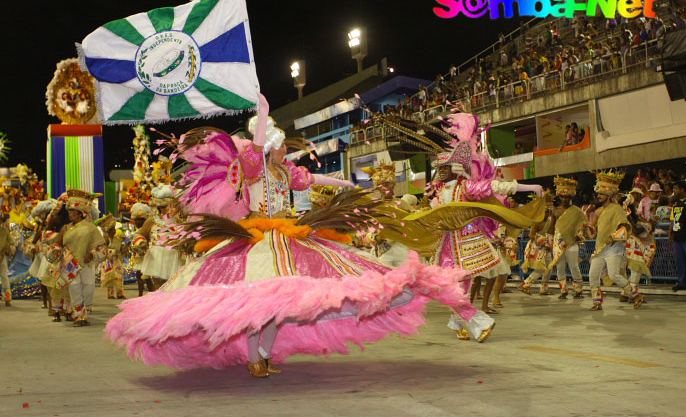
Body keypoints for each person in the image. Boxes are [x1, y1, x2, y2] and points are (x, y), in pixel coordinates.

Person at [106, 94, 479, 379]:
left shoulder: (286, 172)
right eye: (281, 144)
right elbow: (254, 152)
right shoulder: (252, 167)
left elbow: (312, 178)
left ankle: (262, 357)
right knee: (259, 304)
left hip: (290, 234)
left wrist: (344, 181)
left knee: (280, 306)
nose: (287, 149)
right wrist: (262, 115)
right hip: (256, 238)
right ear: (270, 145)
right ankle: (256, 358)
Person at [419, 113, 544, 339]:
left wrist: (530, 187)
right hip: (447, 246)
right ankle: (466, 322)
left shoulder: (467, 187)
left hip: (468, 245)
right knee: (448, 289)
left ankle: (470, 324)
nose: (441, 171)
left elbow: (497, 186)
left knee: (462, 287)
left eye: (445, 168)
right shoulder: (439, 193)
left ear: (455, 169)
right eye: (440, 168)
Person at [588, 171, 643, 310]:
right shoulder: (599, 211)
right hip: (600, 248)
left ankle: (635, 295)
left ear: (609, 195)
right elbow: (593, 233)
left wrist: (613, 236)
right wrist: (586, 229)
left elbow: (625, 227)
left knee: (614, 275)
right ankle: (597, 302)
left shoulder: (617, 209)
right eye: (598, 194)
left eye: (601, 194)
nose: (599, 196)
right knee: (593, 275)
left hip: (614, 248)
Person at [60, 189, 107, 326]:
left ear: (80, 213)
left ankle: (83, 312)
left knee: (89, 288)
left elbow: (102, 248)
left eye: (72, 211)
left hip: (87, 264)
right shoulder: (66, 228)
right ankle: (79, 317)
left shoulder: (90, 228)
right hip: (70, 264)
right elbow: (57, 244)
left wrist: (92, 254)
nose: (70, 214)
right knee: (74, 288)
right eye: (69, 211)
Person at [550, 177, 590, 299]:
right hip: (558, 243)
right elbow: (551, 229)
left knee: (574, 267)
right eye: (563, 197)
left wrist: (580, 235)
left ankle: (578, 291)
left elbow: (584, 225)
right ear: (560, 197)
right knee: (560, 268)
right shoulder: (555, 211)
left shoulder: (577, 211)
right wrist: (548, 243)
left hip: (572, 243)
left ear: (571, 198)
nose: (565, 199)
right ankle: (563, 291)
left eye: (568, 197)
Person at [137, 184, 183, 287]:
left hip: (173, 257)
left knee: (173, 287)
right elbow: (140, 234)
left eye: (166, 206)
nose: (165, 209)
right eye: (162, 207)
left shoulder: (180, 222)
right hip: (156, 256)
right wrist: (141, 242)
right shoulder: (152, 221)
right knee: (158, 286)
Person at [519, 194, 555, 295]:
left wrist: (549, 244)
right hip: (536, 247)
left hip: (546, 247)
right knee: (540, 269)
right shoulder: (537, 222)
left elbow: (551, 233)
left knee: (549, 267)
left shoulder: (550, 221)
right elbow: (531, 235)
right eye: (546, 211)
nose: (547, 213)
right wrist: (545, 241)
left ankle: (543, 289)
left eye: (549, 211)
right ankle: (525, 284)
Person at [97, 214, 126, 300]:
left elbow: (121, 251)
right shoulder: (104, 239)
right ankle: (110, 293)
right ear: (108, 231)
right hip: (108, 262)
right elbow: (103, 251)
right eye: (112, 229)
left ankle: (119, 293)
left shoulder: (117, 239)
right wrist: (112, 252)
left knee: (119, 276)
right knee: (109, 278)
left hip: (117, 261)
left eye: (114, 229)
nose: (114, 231)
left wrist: (124, 250)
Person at [128, 202, 155, 296]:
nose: (138, 222)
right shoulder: (136, 231)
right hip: (138, 256)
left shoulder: (147, 229)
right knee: (139, 276)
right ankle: (140, 295)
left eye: (141, 220)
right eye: (137, 220)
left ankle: (152, 294)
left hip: (147, 255)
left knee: (147, 277)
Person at [0, 213, 15, 307]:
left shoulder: (4, 231)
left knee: (4, 276)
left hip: (1, 257)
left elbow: (12, 243)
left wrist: (11, 248)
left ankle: (7, 297)